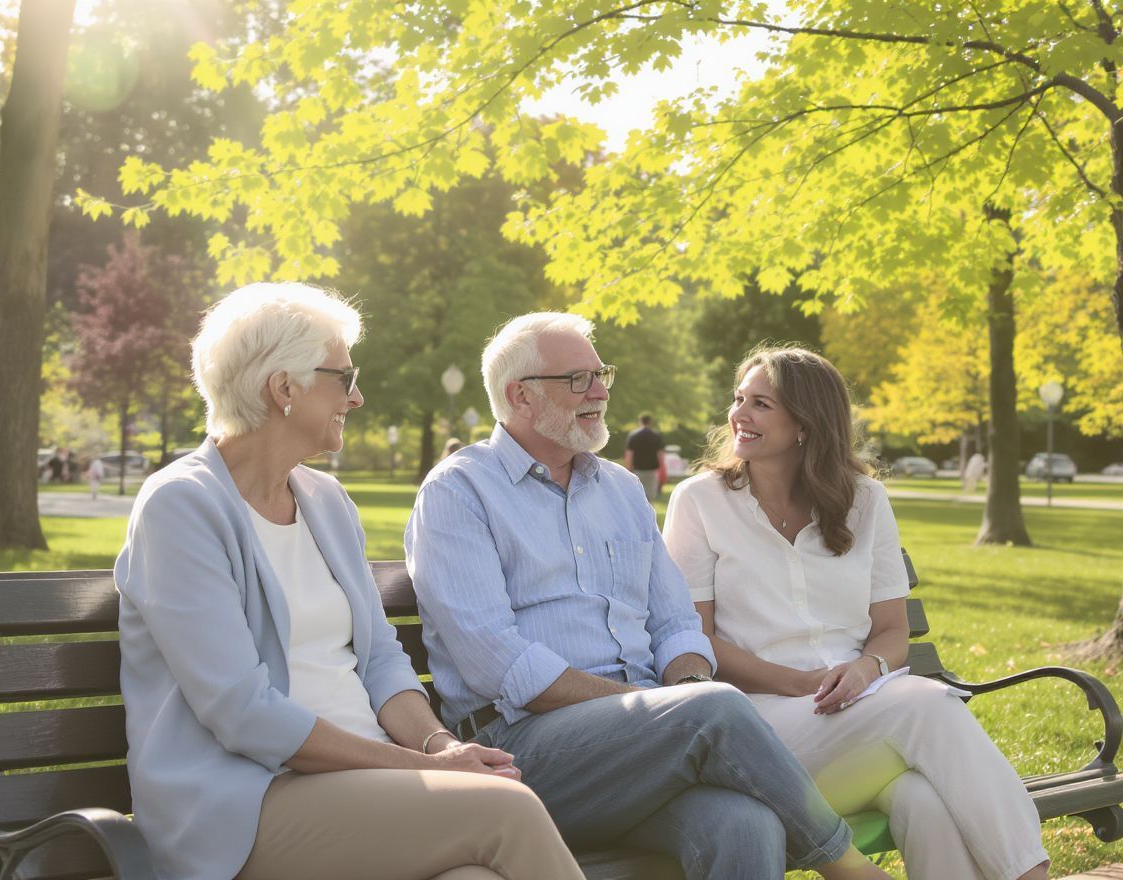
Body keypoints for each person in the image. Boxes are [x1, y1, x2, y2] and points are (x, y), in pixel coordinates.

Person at [115, 284, 583, 880]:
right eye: (344, 377)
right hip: (241, 805)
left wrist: (441, 747)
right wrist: (424, 771)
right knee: (506, 809)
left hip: (364, 785)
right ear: (284, 388)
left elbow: (380, 657)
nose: (357, 397)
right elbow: (242, 712)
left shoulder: (326, 500)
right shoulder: (181, 505)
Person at [405, 312, 892, 880]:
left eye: (601, 374)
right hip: (519, 754)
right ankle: (849, 869)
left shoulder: (619, 488)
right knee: (713, 706)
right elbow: (499, 664)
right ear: (521, 396)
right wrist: (658, 707)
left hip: (643, 743)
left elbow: (676, 622)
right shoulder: (459, 491)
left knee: (746, 824)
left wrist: (680, 690)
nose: (600, 391)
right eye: (579, 379)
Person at [662, 346, 1049, 880]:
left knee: (924, 800)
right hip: (760, 732)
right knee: (929, 704)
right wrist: (798, 682)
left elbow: (891, 630)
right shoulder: (700, 501)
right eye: (738, 399)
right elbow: (694, 638)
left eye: (760, 404)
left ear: (806, 423)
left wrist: (867, 668)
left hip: (863, 713)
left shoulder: (864, 500)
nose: (738, 415)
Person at [624, 413, 666, 500]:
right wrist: (662, 470)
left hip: (637, 470)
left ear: (640, 422)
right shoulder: (656, 436)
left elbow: (629, 455)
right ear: (650, 422)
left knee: (637, 496)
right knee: (650, 498)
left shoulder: (633, 436)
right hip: (652, 470)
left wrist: (628, 471)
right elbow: (660, 456)